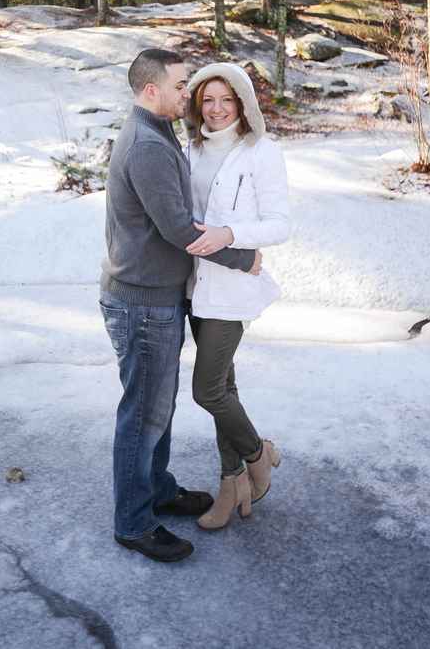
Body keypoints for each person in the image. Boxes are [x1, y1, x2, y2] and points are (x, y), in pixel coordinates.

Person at [100, 48, 262, 563]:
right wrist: (241, 256)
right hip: (141, 303)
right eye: (179, 84)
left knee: (157, 408)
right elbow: (176, 227)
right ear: (152, 89)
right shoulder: (147, 144)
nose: (186, 93)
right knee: (143, 416)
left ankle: (159, 489)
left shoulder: (157, 130)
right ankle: (133, 522)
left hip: (155, 298)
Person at [184, 62, 291, 530]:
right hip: (192, 284)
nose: (217, 109)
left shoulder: (261, 151)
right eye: (208, 99)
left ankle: (257, 453)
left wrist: (231, 234)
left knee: (207, 390)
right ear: (196, 105)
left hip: (231, 288)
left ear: (243, 103)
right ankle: (234, 486)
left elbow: (280, 224)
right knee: (224, 388)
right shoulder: (188, 149)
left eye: (227, 99)